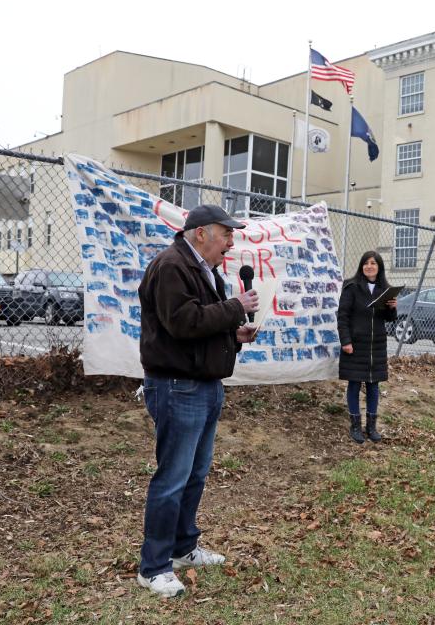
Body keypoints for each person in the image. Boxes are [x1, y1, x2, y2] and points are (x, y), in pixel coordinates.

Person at [136, 204, 260, 597]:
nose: (231, 241)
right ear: (202, 233)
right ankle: (153, 566)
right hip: (177, 387)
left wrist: (232, 336)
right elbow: (183, 322)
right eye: (226, 233)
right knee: (172, 478)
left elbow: (201, 324)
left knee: (195, 474)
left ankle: (183, 548)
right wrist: (236, 308)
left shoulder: (203, 269)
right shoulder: (172, 266)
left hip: (203, 385)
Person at [338, 251, 397, 444]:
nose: (369, 266)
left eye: (373, 263)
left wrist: (392, 307)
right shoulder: (351, 287)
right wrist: (345, 341)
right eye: (366, 263)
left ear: (379, 267)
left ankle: (371, 427)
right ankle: (355, 426)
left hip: (376, 346)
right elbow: (343, 316)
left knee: (373, 385)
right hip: (356, 344)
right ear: (361, 266)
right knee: (354, 384)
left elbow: (389, 319)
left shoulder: (385, 289)